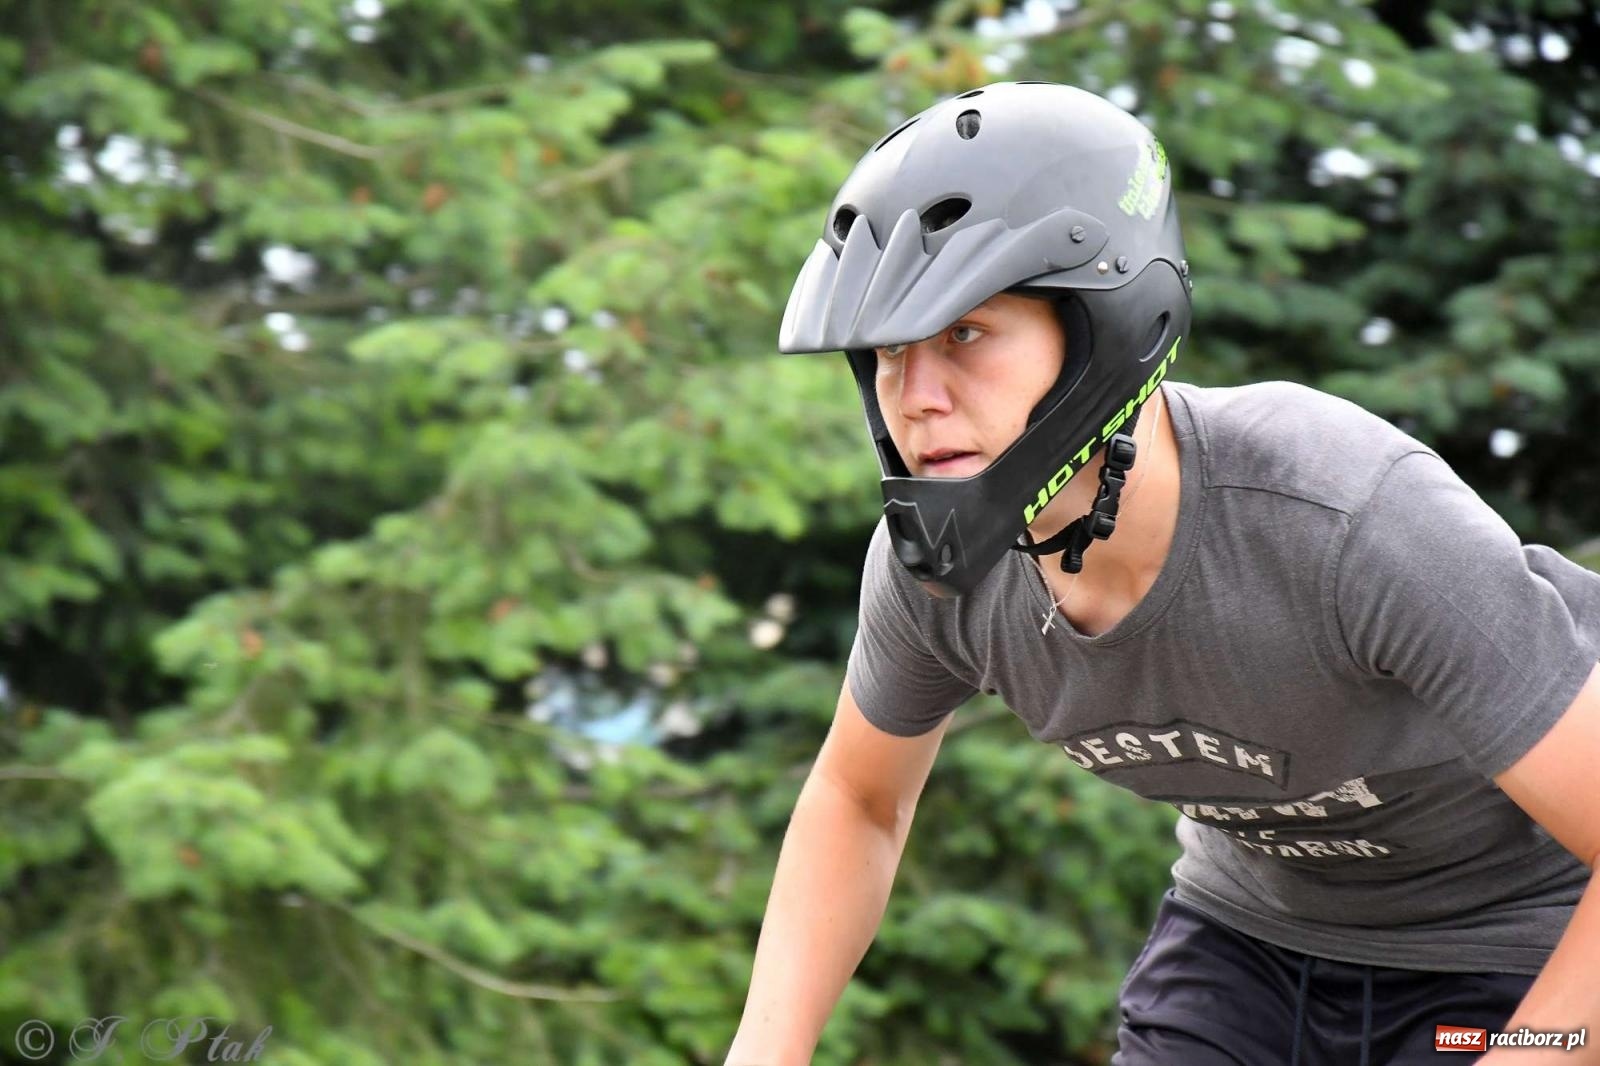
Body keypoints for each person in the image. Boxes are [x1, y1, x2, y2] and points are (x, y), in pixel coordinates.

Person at [725, 81, 1600, 1066]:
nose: (914, 398)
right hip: (1248, 951)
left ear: (1102, 330)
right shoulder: (935, 572)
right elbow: (859, 800)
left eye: (963, 334)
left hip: (1513, 948)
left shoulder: (1343, 516)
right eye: (888, 353)